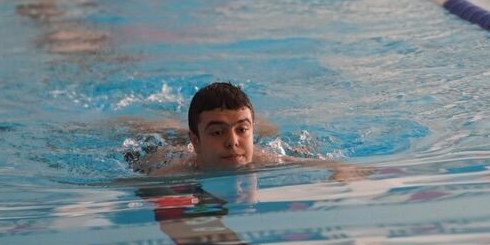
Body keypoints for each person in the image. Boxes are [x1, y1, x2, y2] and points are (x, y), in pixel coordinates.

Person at [129, 82, 368, 179]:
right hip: (164, 148)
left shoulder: (265, 159)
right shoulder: (174, 171)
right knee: (158, 130)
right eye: (217, 133)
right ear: (196, 141)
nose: (232, 142)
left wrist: (340, 173)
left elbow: (341, 167)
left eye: (242, 130)